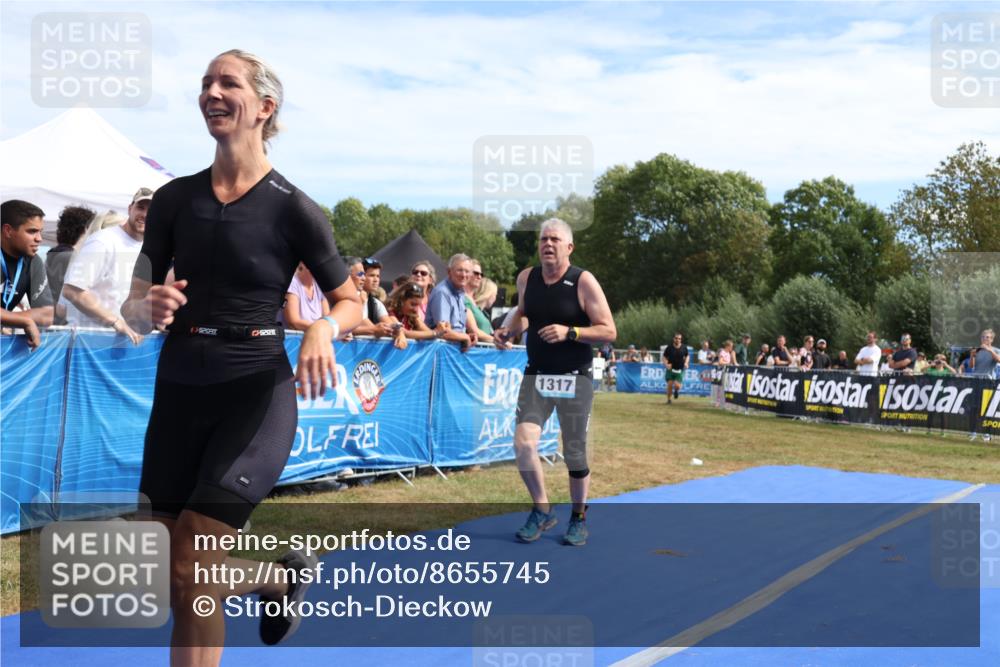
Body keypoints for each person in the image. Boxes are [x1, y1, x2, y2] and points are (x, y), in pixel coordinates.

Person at [119, 50, 363, 665]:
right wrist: (147, 304)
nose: (212, 93)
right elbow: (130, 300)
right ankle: (277, 580)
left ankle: (275, 581)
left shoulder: (293, 207)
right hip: (178, 392)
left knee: (195, 571)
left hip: (254, 394)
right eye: (205, 83)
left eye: (228, 83)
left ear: (264, 107)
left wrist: (321, 330)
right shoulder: (174, 200)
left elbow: (351, 300)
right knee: (162, 578)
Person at [494, 218, 615, 547]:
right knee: (523, 443)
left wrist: (570, 332)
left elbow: (608, 330)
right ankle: (542, 508)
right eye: (543, 239)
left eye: (555, 240)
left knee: (574, 452)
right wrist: (508, 330)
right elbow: (522, 311)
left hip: (575, 377)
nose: (547, 244)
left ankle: (578, 516)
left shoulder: (583, 281)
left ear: (569, 247)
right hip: (537, 374)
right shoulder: (526, 277)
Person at [61, 188, 152, 345]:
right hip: (89, 344)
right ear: (130, 209)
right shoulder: (103, 241)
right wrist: (115, 321)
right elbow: (72, 291)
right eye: (140, 207)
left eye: (152, 210)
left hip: (125, 345)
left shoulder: (150, 248)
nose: (145, 214)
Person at [0, 199, 54, 349]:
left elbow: (47, 314)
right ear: (8, 231)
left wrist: (14, 319)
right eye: (32, 231)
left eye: (40, 232)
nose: (39, 239)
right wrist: (25, 320)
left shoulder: (32, 261)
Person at [45, 205, 94, 324]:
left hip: (54, 325)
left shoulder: (57, 254)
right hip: (64, 328)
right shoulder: (70, 257)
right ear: (86, 229)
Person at [425, 253, 477, 351]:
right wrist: (464, 337)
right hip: (438, 352)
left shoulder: (461, 293)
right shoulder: (442, 293)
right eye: (460, 270)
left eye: (467, 271)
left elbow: (456, 329)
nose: (464, 275)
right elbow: (443, 331)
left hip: (452, 352)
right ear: (449, 272)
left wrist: (468, 336)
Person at [386, 281, 448, 350]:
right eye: (413, 304)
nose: (416, 309)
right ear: (401, 300)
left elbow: (427, 332)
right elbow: (404, 332)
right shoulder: (389, 312)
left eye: (418, 305)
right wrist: (436, 332)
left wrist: (441, 330)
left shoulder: (412, 315)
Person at [280, 262, 330, 331]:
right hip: (294, 339)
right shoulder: (292, 284)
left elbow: (327, 319)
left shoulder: (320, 287)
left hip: (317, 335)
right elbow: (293, 322)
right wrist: (322, 329)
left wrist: (340, 332)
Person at [663, 333, 689, 403]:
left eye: (679, 339)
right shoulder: (669, 347)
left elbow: (687, 356)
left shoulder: (684, 347)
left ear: (681, 340)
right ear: (673, 339)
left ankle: (676, 391)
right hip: (670, 369)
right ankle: (669, 399)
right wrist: (666, 364)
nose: (677, 340)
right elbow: (664, 357)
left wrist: (686, 363)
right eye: (676, 338)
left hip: (680, 369)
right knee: (670, 385)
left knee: (677, 386)